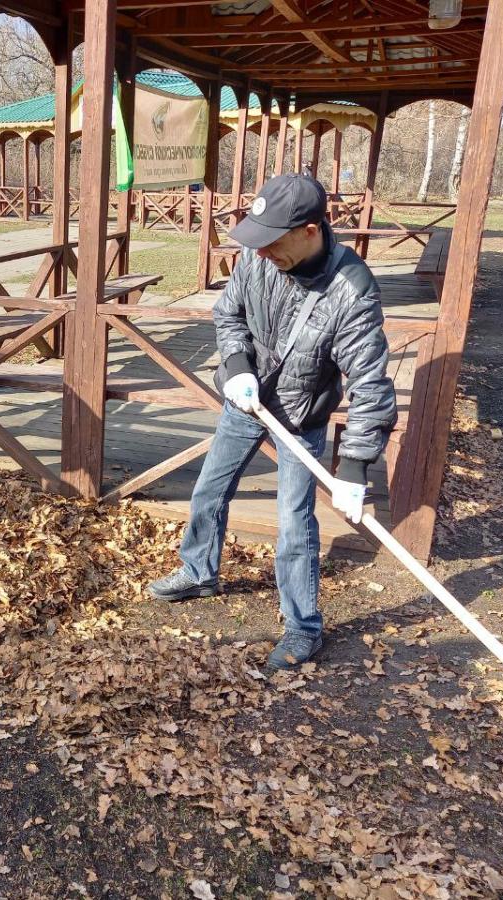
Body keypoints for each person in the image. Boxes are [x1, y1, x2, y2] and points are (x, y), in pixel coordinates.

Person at [147, 174, 397, 672]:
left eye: (272, 241)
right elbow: (229, 316)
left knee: (293, 522)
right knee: (209, 489)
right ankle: (199, 571)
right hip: (248, 400)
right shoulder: (256, 258)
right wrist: (237, 367)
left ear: (309, 230)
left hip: (303, 416)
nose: (261, 253)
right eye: (256, 240)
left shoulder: (352, 289)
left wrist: (355, 464)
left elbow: (370, 380)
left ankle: (303, 626)